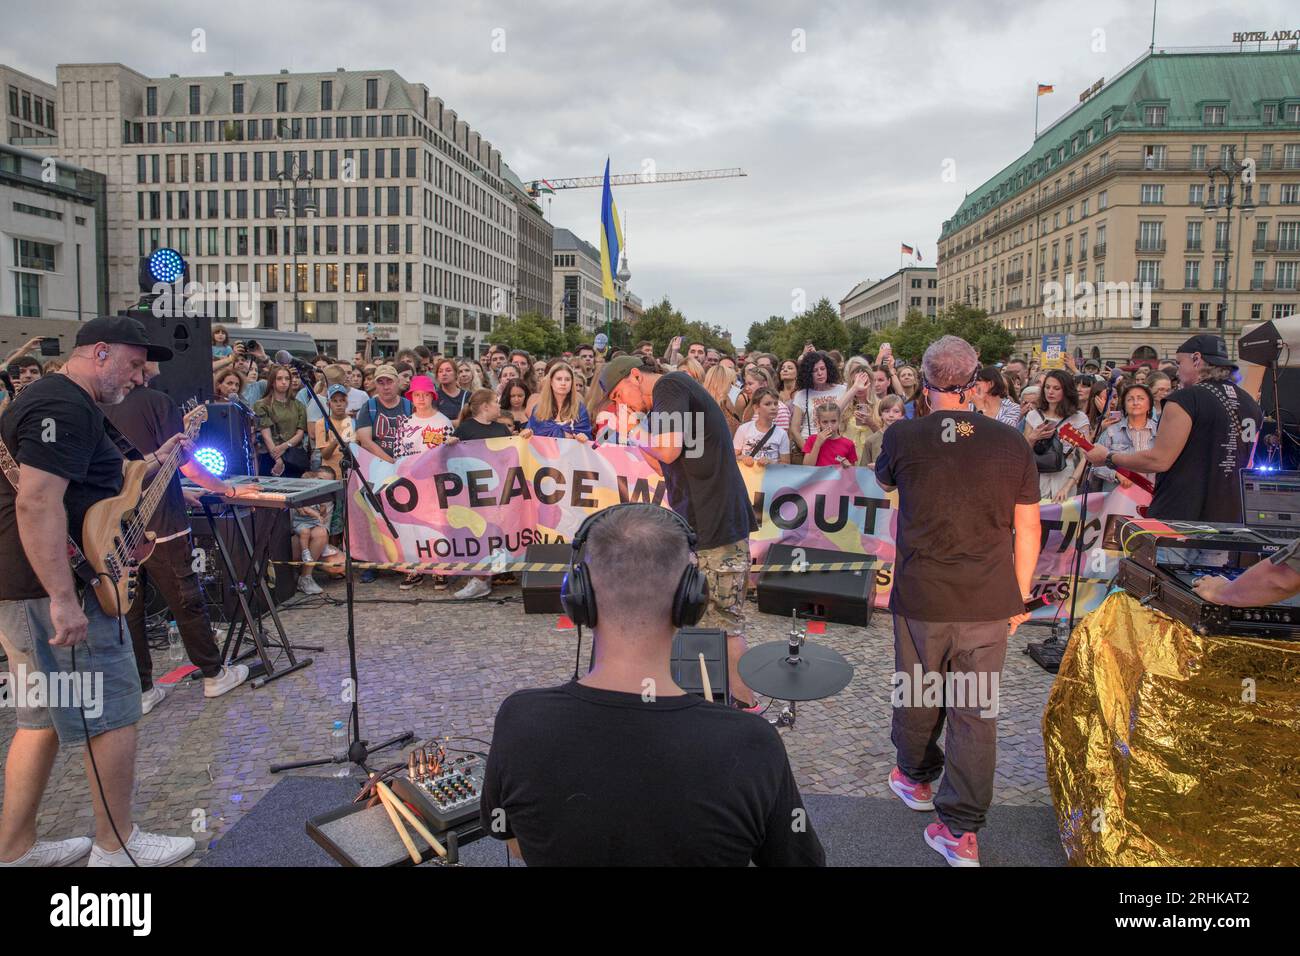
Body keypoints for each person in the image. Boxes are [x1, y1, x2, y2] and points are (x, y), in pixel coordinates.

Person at [480, 504, 824, 866]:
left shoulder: (519, 721)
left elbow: (515, 843)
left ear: (578, 598)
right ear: (689, 601)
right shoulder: (752, 744)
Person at [0, 315, 197, 867]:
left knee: (39, 721)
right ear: (101, 352)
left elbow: (89, 492)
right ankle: (118, 846)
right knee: (110, 712)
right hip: (55, 590)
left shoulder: (71, 404)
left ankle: (14, 849)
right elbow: (36, 502)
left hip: (29, 589)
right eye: (135, 365)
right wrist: (64, 599)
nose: (140, 378)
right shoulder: (61, 406)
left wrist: (146, 479)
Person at [873, 336, 1041, 867]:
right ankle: (962, 830)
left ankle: (917, 779)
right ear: (975, 385)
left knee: (920, 691)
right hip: (989, 598)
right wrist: (1019, 598)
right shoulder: (1011, 442)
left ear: (924, 383)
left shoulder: (903, 436)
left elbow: (884, 484)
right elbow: (1029, 529)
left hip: (924, 594)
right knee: (976, 712)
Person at [601, 356, 760, 708]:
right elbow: (661, 464)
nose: (620, 403)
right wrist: (638, 434)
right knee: (705, 621)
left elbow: (668, 450)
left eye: (618, 394)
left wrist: (631, 431)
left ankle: (748, 708)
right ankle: (717, 704)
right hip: (701, 525)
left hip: (717, 527)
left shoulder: (669, 386)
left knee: (724, 625)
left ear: (635, 376)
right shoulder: (664, 403)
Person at [101, 362, 252, 714]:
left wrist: (180, 493)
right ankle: (214, 674)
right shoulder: (158, 401)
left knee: (129, 606)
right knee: (186, 600)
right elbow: (183, 459)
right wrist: (225, 488)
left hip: (110, 522)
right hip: (161, 523)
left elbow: (130, 467)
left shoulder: (96, 404)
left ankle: (141, 688)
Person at [1082, 334, 1262, 523]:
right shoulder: (1250, 403)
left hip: (1180, 516)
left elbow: (1160, 460)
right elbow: (1247, 464)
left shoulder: (1185, 399)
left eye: (1179, 363)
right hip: (1229, 517)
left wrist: (1109, 458)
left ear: (1196, 359)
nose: (1177, 372)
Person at [1023, 369, 1088, 502]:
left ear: (1066, 390)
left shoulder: (1077, 419)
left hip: (1065, 477)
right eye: (1047, 387)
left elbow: (1085, 456)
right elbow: (1023, 453)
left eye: (1056, 388)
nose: (1050, 392)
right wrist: (1032, 438)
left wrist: (1069, 485)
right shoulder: (1034, 415)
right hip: (1037, 476)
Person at [1091, 383, 1157, 493]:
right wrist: (1116, 473)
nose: (1135, 403)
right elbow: (1096, 464)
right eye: (1130, 399)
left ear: (1150, 404)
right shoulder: (1112, 431)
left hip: (1152, 495)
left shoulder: (1160, 431)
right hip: (1118, 496)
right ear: (1124, 405)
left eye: (1140, 398)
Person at [254, 364, 308, 478]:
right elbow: (266, 435)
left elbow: (300, 433)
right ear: (272, 382)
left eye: (287, 378)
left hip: (293, 455)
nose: (284, 382)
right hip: (270, 454)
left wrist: (285, 446)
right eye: (279, 378)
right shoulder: (261, 405)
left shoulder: (298, 405)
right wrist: (277, 459)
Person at [789, 350, 848, 443]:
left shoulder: (842, 390)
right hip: (810, 442)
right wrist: (808, 451)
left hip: (837, 443)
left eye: (822, 368)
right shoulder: (802, 394)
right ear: (808, 373)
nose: (820, 373)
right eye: (815, 370)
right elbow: (794, 429)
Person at [526, 362, 593, 441]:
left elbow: (588, 440)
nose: (563, 383)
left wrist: (584, 438)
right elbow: (530, 435)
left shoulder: (580, 409)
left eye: (567, 379)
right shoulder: (538, 409)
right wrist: (525, 434)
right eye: (559, 379)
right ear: (551, 382)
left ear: (572, 383)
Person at [733, 387, 791, 465]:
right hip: (748, 475)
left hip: (771, 475)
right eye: (767, 404)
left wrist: (771, 462)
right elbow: (733, 456)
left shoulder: (782, 434)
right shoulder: (744, 429)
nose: (773, 407)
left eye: (776, 403)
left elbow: (786, 463)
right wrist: (743, 458)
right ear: (756, 408)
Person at [312, 384, 354, 480]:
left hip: (351, 475)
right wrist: (335, 442)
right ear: (328, 404)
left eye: (342, 400)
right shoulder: (321, 423)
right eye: (334, 401)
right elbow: (325, 455)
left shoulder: (354, 422)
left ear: (347, 403)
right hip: (330, 476)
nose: (339, 404)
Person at [802, 404, 857, 468]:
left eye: (833, 421)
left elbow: (852, 473)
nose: (829, 426)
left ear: (839, 421)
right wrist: (817, 444)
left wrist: (847, 467)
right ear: (818, 422)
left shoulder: (848, 444)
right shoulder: (812, 439)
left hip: (838, 478)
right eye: (825, 422)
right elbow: (806, 467)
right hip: (817, 478)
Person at [862, 394, 906, 466]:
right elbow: (864, 470)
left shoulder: (908, 439)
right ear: (880, 414)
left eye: (896, 411)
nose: (891, 415)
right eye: (887, 411)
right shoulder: (871, 440)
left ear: (902, 415)